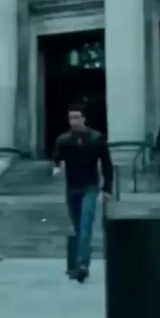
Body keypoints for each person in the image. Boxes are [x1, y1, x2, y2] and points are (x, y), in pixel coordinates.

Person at [52, 103, 114, 283]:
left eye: (77, 117)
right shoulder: (64, 139)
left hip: (90, 187)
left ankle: (83, 264)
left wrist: (107, 188)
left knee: (86, 223)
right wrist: (56, 167)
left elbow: (107, 164)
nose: (74, 121)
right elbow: (57, 156)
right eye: (71, 118)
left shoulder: (96, 138)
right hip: (72, 188)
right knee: (78, 226)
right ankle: (80, 258)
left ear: (84, 118)